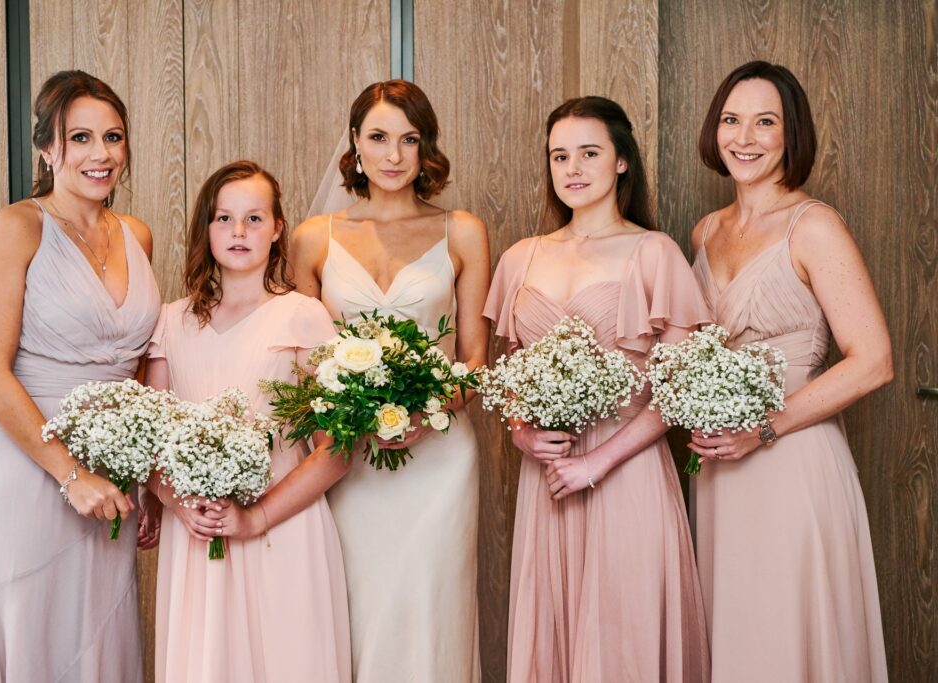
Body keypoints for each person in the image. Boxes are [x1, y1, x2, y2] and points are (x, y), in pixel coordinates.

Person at [484, 96, 711, 682]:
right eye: (560, 156)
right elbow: (508, 372)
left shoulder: (654, 253)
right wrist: (521, 434)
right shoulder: (520, 259)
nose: (573, 169)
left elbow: (679, 387)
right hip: (551, 480)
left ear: (621, 162)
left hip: (626, 472)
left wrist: (600, 461)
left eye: (589, 152)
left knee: (623, 637)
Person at [0, 70, 160, 682]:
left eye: (114, 137)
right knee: (28, 618)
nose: (101, 155)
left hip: (112, 466)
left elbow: (140, 368)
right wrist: (71, 475)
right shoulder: (16, 228)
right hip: (29, 459)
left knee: (97, 625)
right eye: (81, 138)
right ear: (47, 148)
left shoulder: (137, 235)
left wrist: (143, 474)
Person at [688, 61, 890, 682]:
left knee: (788, 633)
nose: (744, 137)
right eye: (731, 120)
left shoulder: (815, 226)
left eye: (764, 122)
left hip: (793, 459)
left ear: (790, 135)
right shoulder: (706, 231)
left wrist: (765, 428)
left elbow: (874, 360)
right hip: (722, 470)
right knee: (739, 636)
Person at [291, 79, 490, 682]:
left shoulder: (464, 231)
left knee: (433, 610)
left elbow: (476, 361)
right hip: (350, 458)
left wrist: (423, 415)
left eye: (409, 139)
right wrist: (352, 419)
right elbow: (303, 364)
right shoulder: (312, 238)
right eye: (378, 138)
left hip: (440, 458)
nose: (394, 155)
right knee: (357, 607)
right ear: (354, 144)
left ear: (425, 147)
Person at [146, 160, 351, 682]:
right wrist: (180, 503)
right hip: (197, 532)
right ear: (206, 228)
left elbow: (337, 449)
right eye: (224, 218)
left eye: (254, 219)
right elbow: (149, 440)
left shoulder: (304, 315)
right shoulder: (170, 322)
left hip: (281, 529)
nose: (239, 232)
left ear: (277, 228)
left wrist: (254, 518)